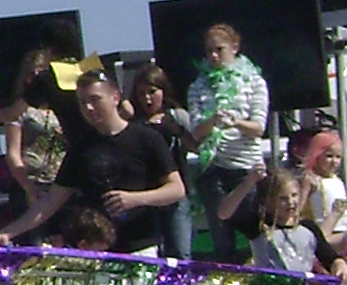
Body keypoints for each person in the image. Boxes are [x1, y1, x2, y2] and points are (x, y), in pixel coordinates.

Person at [56, 64, 183, 254]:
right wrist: (11, 231)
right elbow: (53, 199)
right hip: (99, 249)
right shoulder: (81, 147)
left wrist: (136, 199)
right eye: (82, 102)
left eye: (95, 99)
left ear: (115, 98)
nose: (89, 108)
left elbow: (176, 189)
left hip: (140, 246)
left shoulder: (146, 138)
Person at [185, 23, 271, 244]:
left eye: (219, 49)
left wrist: (236, 123)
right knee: (221, 237)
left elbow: (259, 128)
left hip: (246, 167)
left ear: (234, 47)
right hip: (214, 167)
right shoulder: (198, 86)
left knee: (254, 233)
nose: (214, 56)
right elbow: (196, 133)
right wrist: (212, 121)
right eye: (209, 51)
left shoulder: (254, 81)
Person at [0, 43, 75, 241]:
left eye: (41, 72)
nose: (36, 77)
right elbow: (13, 154)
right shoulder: (20, 110)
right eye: (32, 74)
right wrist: (29, 189)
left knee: (65, 243)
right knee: (35, 245)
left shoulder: (64, 108)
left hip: (61, 184)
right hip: (31, 184)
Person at [124, 65, 199, 259]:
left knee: (180, 250)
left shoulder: (176, 116)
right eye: (141, 94)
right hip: (146, 194)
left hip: (176, 193)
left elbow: (197, 147)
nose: (147, 99)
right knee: (155, 250)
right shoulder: (135, 123)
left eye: (152, 92)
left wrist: (177, 130)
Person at [294, 127, 347, 243]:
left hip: (343, 228)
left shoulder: (338, 180)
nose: (334, 161)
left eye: (338, 157)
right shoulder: (312, 179)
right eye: (329, 156)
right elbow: (299, 208)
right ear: (317, 155)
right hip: (323, 230)